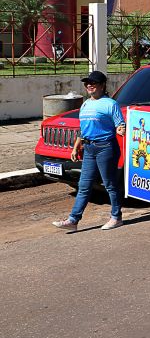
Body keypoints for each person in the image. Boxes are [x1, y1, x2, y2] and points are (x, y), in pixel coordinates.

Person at [52, 71, 127, 232]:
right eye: (87, 83)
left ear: (102, 85)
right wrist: (76, 146)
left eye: (93, 83)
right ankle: (73, 220)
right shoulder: (85, 104)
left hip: (106, 147)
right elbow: (82, 129)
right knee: (84, 185)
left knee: (110, 184)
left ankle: (116, 217)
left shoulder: (110, 104)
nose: (89, 86)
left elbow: (120, 124)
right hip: (89, 149)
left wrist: (121, 129)